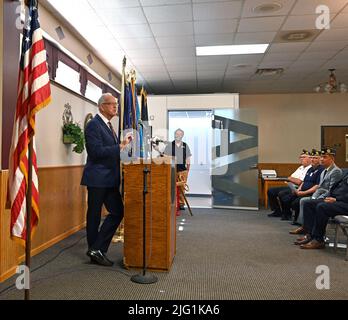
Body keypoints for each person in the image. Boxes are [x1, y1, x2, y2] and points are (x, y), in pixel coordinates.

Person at [81, 93, 132, 266]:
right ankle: (95, 250)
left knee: (118, 211)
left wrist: (121, 147)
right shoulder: (93, 125)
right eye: (112, 104)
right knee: (94, 216)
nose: (115, 107)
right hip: (97, 178)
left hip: (110, 178)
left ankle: (97, 248)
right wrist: (118, 147)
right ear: (102, 106)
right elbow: (95, 152)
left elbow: (110, 150)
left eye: (116, 104)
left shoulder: (109, 125)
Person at [290, 147, 342, 236]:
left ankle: (310, 232)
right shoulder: (324, 170)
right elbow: (320, 188)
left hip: (328, 198)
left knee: (307, 202)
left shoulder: (336, 171)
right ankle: (306, 228)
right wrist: (314, 197)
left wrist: (317, 198)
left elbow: (331, 190)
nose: (322, 159)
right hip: (320, 195)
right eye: (321, 157)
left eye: (324, 157)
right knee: (306, 201)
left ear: (332, 158)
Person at [296, 169, 348, 249]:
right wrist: (330, 196)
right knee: (308, 203)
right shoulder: (346, 172)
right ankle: (310, 235)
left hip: (344, 202)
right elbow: (335, 188)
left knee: (322, 207)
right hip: (337, 199)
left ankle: (318, 240)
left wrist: (337, 199)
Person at [279, 149, 323, 224]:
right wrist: (299, 190)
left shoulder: (321, 170)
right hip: (302, 191)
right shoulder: (310, 169)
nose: (312, 159)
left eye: (315, 158)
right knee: (287, 198)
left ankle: (300, 221)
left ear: (320, 160)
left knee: (295, 202)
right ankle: (291, 216)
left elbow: (317, 186)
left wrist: (304, 192)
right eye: (312, 157)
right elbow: (303, 182)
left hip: (310, 193)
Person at [267, 150, 312, 218]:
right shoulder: (300, 167)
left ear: (310, 158)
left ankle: (287, 213)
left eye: (304, 157)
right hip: (291, 185)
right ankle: (277, 211)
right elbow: (291, 177)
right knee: (271, 190)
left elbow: (299, 182)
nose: (301, 159)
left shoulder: (310, 168)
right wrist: (291, 179)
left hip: (298, 187)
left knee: (282, 193)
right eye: (300, 157)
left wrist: (291, 179)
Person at [164, 128, 192, 210]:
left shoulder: (185, 145)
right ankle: (172, 203)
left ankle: (181, 204)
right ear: (174, 135)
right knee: (172, 187)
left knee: (182, 187)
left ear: (182, 135)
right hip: (172, 170)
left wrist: (187, 170)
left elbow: (188, 158)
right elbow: (165, 156)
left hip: (183, 170)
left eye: (180, 134)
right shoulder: (169, 145)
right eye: (176, 134)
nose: (178, 135)